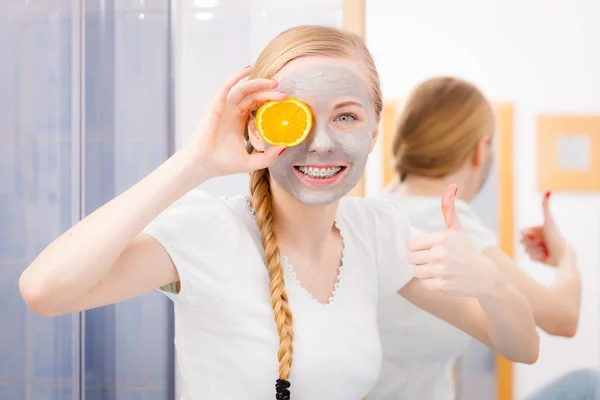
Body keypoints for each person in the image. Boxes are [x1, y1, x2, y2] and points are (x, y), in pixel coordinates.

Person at [18, 26, 539, 400]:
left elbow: (520, 346)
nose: (320, 142)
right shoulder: (208, 231)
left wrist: (490, 282)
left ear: (375, 130)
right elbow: (45, 290)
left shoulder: (376, 232)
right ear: (259, 125)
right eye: (295, 118)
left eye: (347, 116)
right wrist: (194, 161)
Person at [368, 76, 582, 400]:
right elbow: (563, 319)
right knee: (587, 385)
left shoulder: (374, 211)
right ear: (481, 150)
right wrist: (566, 255)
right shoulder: (450, 218)